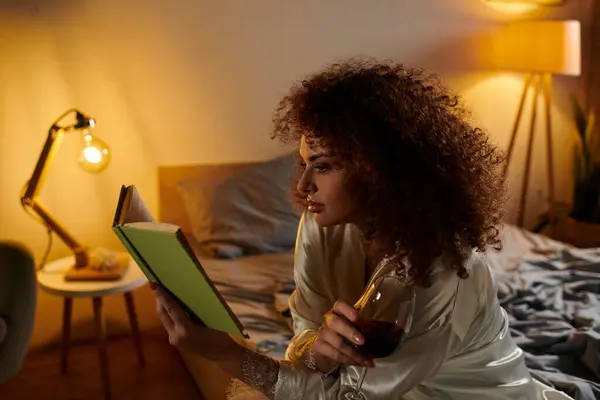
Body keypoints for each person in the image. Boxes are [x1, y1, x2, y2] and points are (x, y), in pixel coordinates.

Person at [151, 58, 572, 399]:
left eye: (324, 166)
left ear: (380, 172)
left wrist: (225, 354)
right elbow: (305, 333)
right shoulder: (321, 227)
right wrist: (318, 350)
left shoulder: (448, 270)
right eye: (304, 163)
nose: (302, 187)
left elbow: (353, 397)